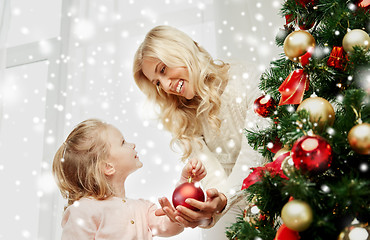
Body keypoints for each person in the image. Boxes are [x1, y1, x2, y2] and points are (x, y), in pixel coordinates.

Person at [133, 25, 268, 239]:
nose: (166, 85)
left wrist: (223, 198)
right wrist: (211, 205)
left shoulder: (245, 77)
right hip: (232, 204)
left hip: (273, 185)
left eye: (163, 69)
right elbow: (212, 176)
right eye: (157, 83)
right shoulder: (181, 115)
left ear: (182, 50)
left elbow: (256, 152)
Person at [52, 118, 206, 239]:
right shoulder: (84, 211)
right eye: (123, 142)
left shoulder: (142, 209)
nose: (132, 145)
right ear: (108, 167)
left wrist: (185, 185)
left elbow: (170, 224)